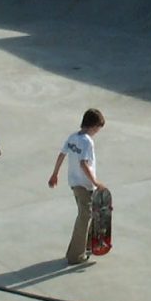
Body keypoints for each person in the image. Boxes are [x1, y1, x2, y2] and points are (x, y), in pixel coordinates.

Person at [48, 108, 107, 265]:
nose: (97, 133)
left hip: (74, 183)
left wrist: (55, 174)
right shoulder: (87, 141)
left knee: (87, 215)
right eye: (98, 129)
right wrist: (95, 182)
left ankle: (86, 246)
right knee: (85, 216)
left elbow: (62, 154)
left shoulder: (73, 137)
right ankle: (76, 255)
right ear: (94, 126)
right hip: (84, 186)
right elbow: (84, 164)